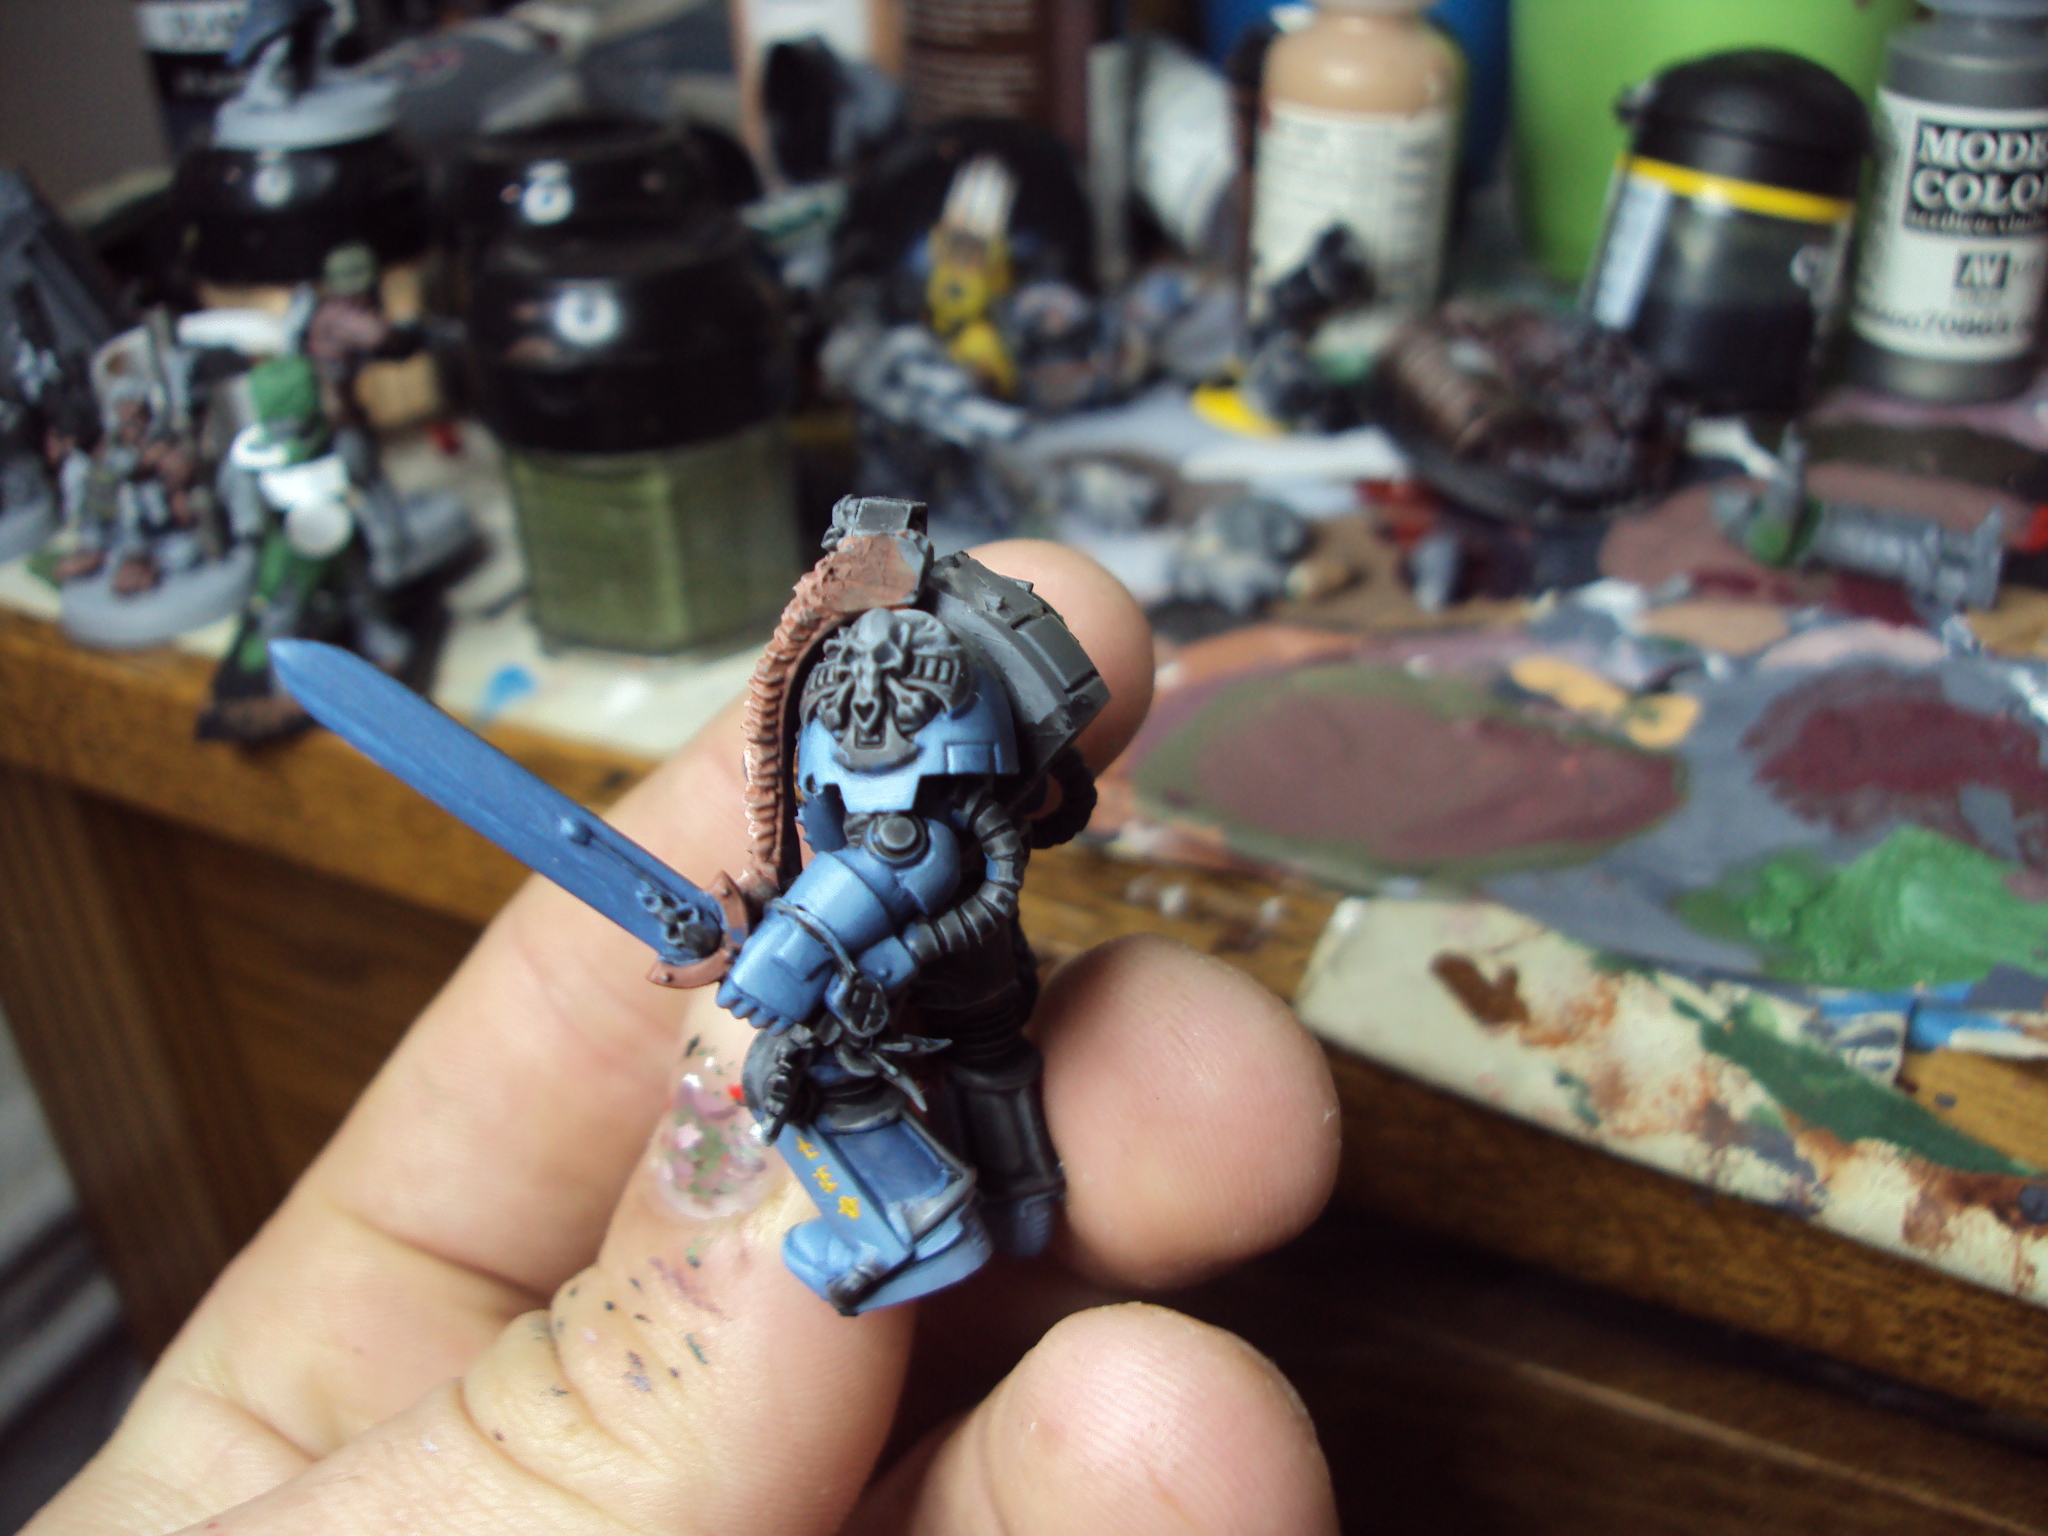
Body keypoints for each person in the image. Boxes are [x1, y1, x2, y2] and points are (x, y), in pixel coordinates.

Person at [27, 542, 1342, 1536]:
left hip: (918, 985)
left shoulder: (922, 812)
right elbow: (827, 869)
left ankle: (922, 1221)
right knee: (975, 1079)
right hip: (924, 985)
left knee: (792, 1082)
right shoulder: (876, 774)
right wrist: (767, 929)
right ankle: (1005, 1201)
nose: (851, 742)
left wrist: (783, 962)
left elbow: (867, 887)